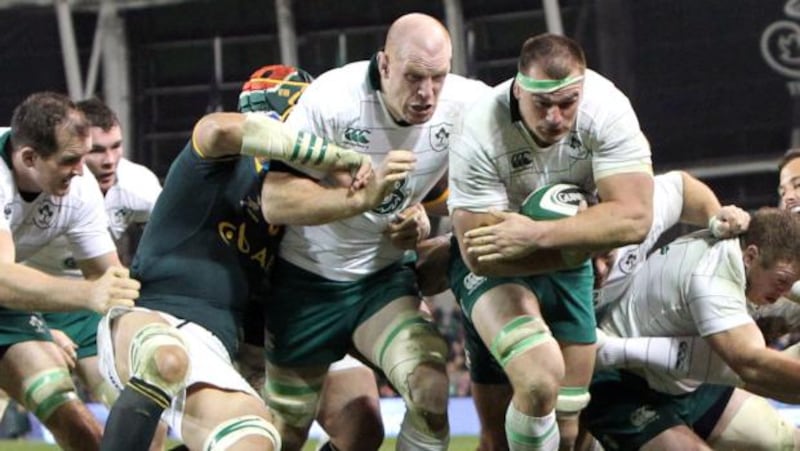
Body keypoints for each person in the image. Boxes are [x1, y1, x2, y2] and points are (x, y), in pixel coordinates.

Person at [96, 65, 372, 451]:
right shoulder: (221, 162)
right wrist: (331, 156)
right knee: (165, 359)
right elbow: (217, 129)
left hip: (235, 342)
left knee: (357, 418)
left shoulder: (307, 199)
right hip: (161, 316)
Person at [261, 12, 491, 451]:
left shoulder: (469, 103)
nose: (427, 93)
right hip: (306, 283)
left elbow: (526, 122)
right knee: (286, 434)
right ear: (384, 64)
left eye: (438, 77)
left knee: (430, 388)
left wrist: (420, 217)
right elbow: (277, 199)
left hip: (382, 283)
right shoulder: (333, 98)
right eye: (414, 77)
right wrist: (362, 199)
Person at [446, 33, 653, 450]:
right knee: (535, 385)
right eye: (542, 104)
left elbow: (635, 218)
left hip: (565, 262)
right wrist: (585, 238)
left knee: (569, 429)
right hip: (497, 273)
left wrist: (536, 233)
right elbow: (480, 253)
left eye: (567, 103)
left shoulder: (607, 108)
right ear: (518, 90)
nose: (556, 117)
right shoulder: (478, 126)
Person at [584, 206, 800, 450]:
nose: (784, 291)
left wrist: (719, 212)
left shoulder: (740, 247)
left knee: (786, 443)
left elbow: (684, 188)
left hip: (683, 379)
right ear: (750, 257)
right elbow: (752, 366)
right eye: (782, 281)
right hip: (622, 384)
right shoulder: (713, 281)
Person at [0, 91, 140, 450]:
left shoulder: (80, 187)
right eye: (69, 160)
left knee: (79, 427)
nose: (81, 169)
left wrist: (157, 337)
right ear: (29, 157)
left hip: (9, 307)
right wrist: (87, 294)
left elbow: (110, 279)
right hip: (7, 287)